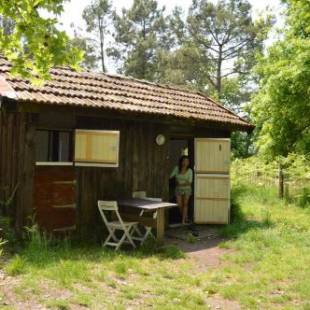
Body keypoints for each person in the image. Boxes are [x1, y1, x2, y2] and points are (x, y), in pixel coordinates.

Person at [170, 155, 193, 224]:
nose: (185, 163)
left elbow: (190, 182)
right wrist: (177, 182)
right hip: (178, 189)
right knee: (179, 205)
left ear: (188, 163)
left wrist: (180, 183)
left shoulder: (190, 171)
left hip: (187, 189)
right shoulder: (176, 168)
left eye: (187, 161)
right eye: (184, 161)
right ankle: (185, 217)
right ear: (181, 162)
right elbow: (170, 176)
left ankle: (183, 221)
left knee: (185, 204)